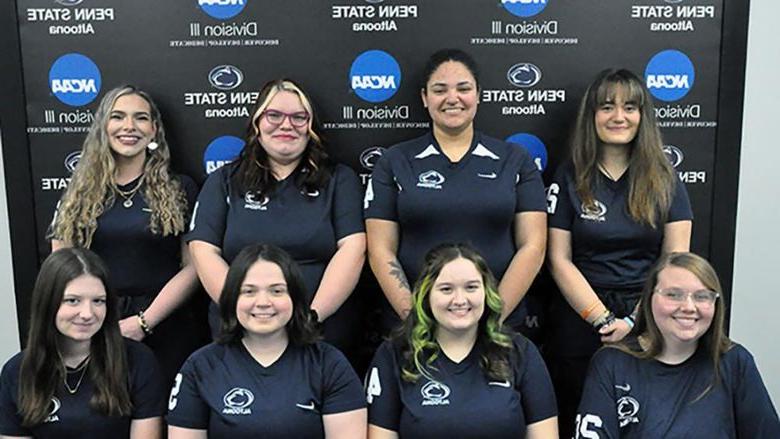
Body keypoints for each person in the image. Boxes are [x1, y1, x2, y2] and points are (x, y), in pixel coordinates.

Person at [545, 68, 693, 436]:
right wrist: (602, 319)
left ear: (642, 116)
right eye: (607, 106)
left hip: (652, 319)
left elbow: (675, 263)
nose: (618, 117)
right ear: (591, 115)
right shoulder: (569, 175)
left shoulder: (665, 178)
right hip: (582, 321)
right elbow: (558, 258)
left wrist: (635, 323)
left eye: (629, 107)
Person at [365, 49, 547, 334]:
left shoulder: (515, 159)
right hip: (415, 329)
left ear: (478, 95)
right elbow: (380, 250)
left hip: (500, 326)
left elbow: (533, 247)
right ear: (425, 98)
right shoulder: (394, 161)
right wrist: (417, 321)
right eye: (440, 90)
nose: (453, 98)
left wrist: (492, 320)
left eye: (464, 88)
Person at [187, 79, 365, 353]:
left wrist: (310, 317)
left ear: (311, 127)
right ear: (257, 123)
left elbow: (353, 249)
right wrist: (246, 313)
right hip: (240, 331)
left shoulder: (340, 180)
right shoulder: (224, 181)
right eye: (274, 115)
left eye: (299, 117)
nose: (286, 125)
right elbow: (203, 250)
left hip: (320, 332)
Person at [49, 85, 202, 386]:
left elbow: (195, 266)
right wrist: (90, 318)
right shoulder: (79, 193)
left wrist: (145, 321)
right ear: (103, 127)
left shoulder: (180, 188)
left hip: (168, 325)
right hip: (96, 324)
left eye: (140, 118)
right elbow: (60, 267)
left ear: (154, 130)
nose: (129, 126)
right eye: (118, 117)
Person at [167, 244, 367, 438]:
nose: (263, 302)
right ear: (231, 299)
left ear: (295, 298)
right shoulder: (201, 367)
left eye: (277, 291)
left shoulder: (330, 365)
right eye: (249, 291)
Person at [575, 252, 780, 438]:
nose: (689, 307)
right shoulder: (612, 363)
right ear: (649, 300)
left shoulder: (735, 362)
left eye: (702, 297)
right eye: (673, 295)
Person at [366, 243, 558, 439]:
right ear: (426, 295)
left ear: (486, 293)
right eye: (446, 289)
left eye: (471, 287)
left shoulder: (520, 351)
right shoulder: (395, 354)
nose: (460, 300)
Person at [0, 248, 165, 438]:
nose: (87, 313)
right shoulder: (17, 371)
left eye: (98, 301)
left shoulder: (138, 361)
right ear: (48, 303)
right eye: (72, 301)